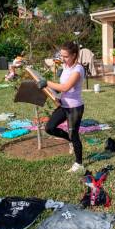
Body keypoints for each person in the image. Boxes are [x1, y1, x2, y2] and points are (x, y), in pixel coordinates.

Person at [38, 41, 86, 172]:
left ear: (74, 55)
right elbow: (62, 90)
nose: (62, 59)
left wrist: (47, 82)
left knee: (74, 134)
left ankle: (79, 164)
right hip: (63, 105)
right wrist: (55, 95)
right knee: (49, 128)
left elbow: (66, 87)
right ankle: (69, 140)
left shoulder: (78, 69)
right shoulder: (65, 67)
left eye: (65, 56)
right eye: (62, 55)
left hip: (75, 107)